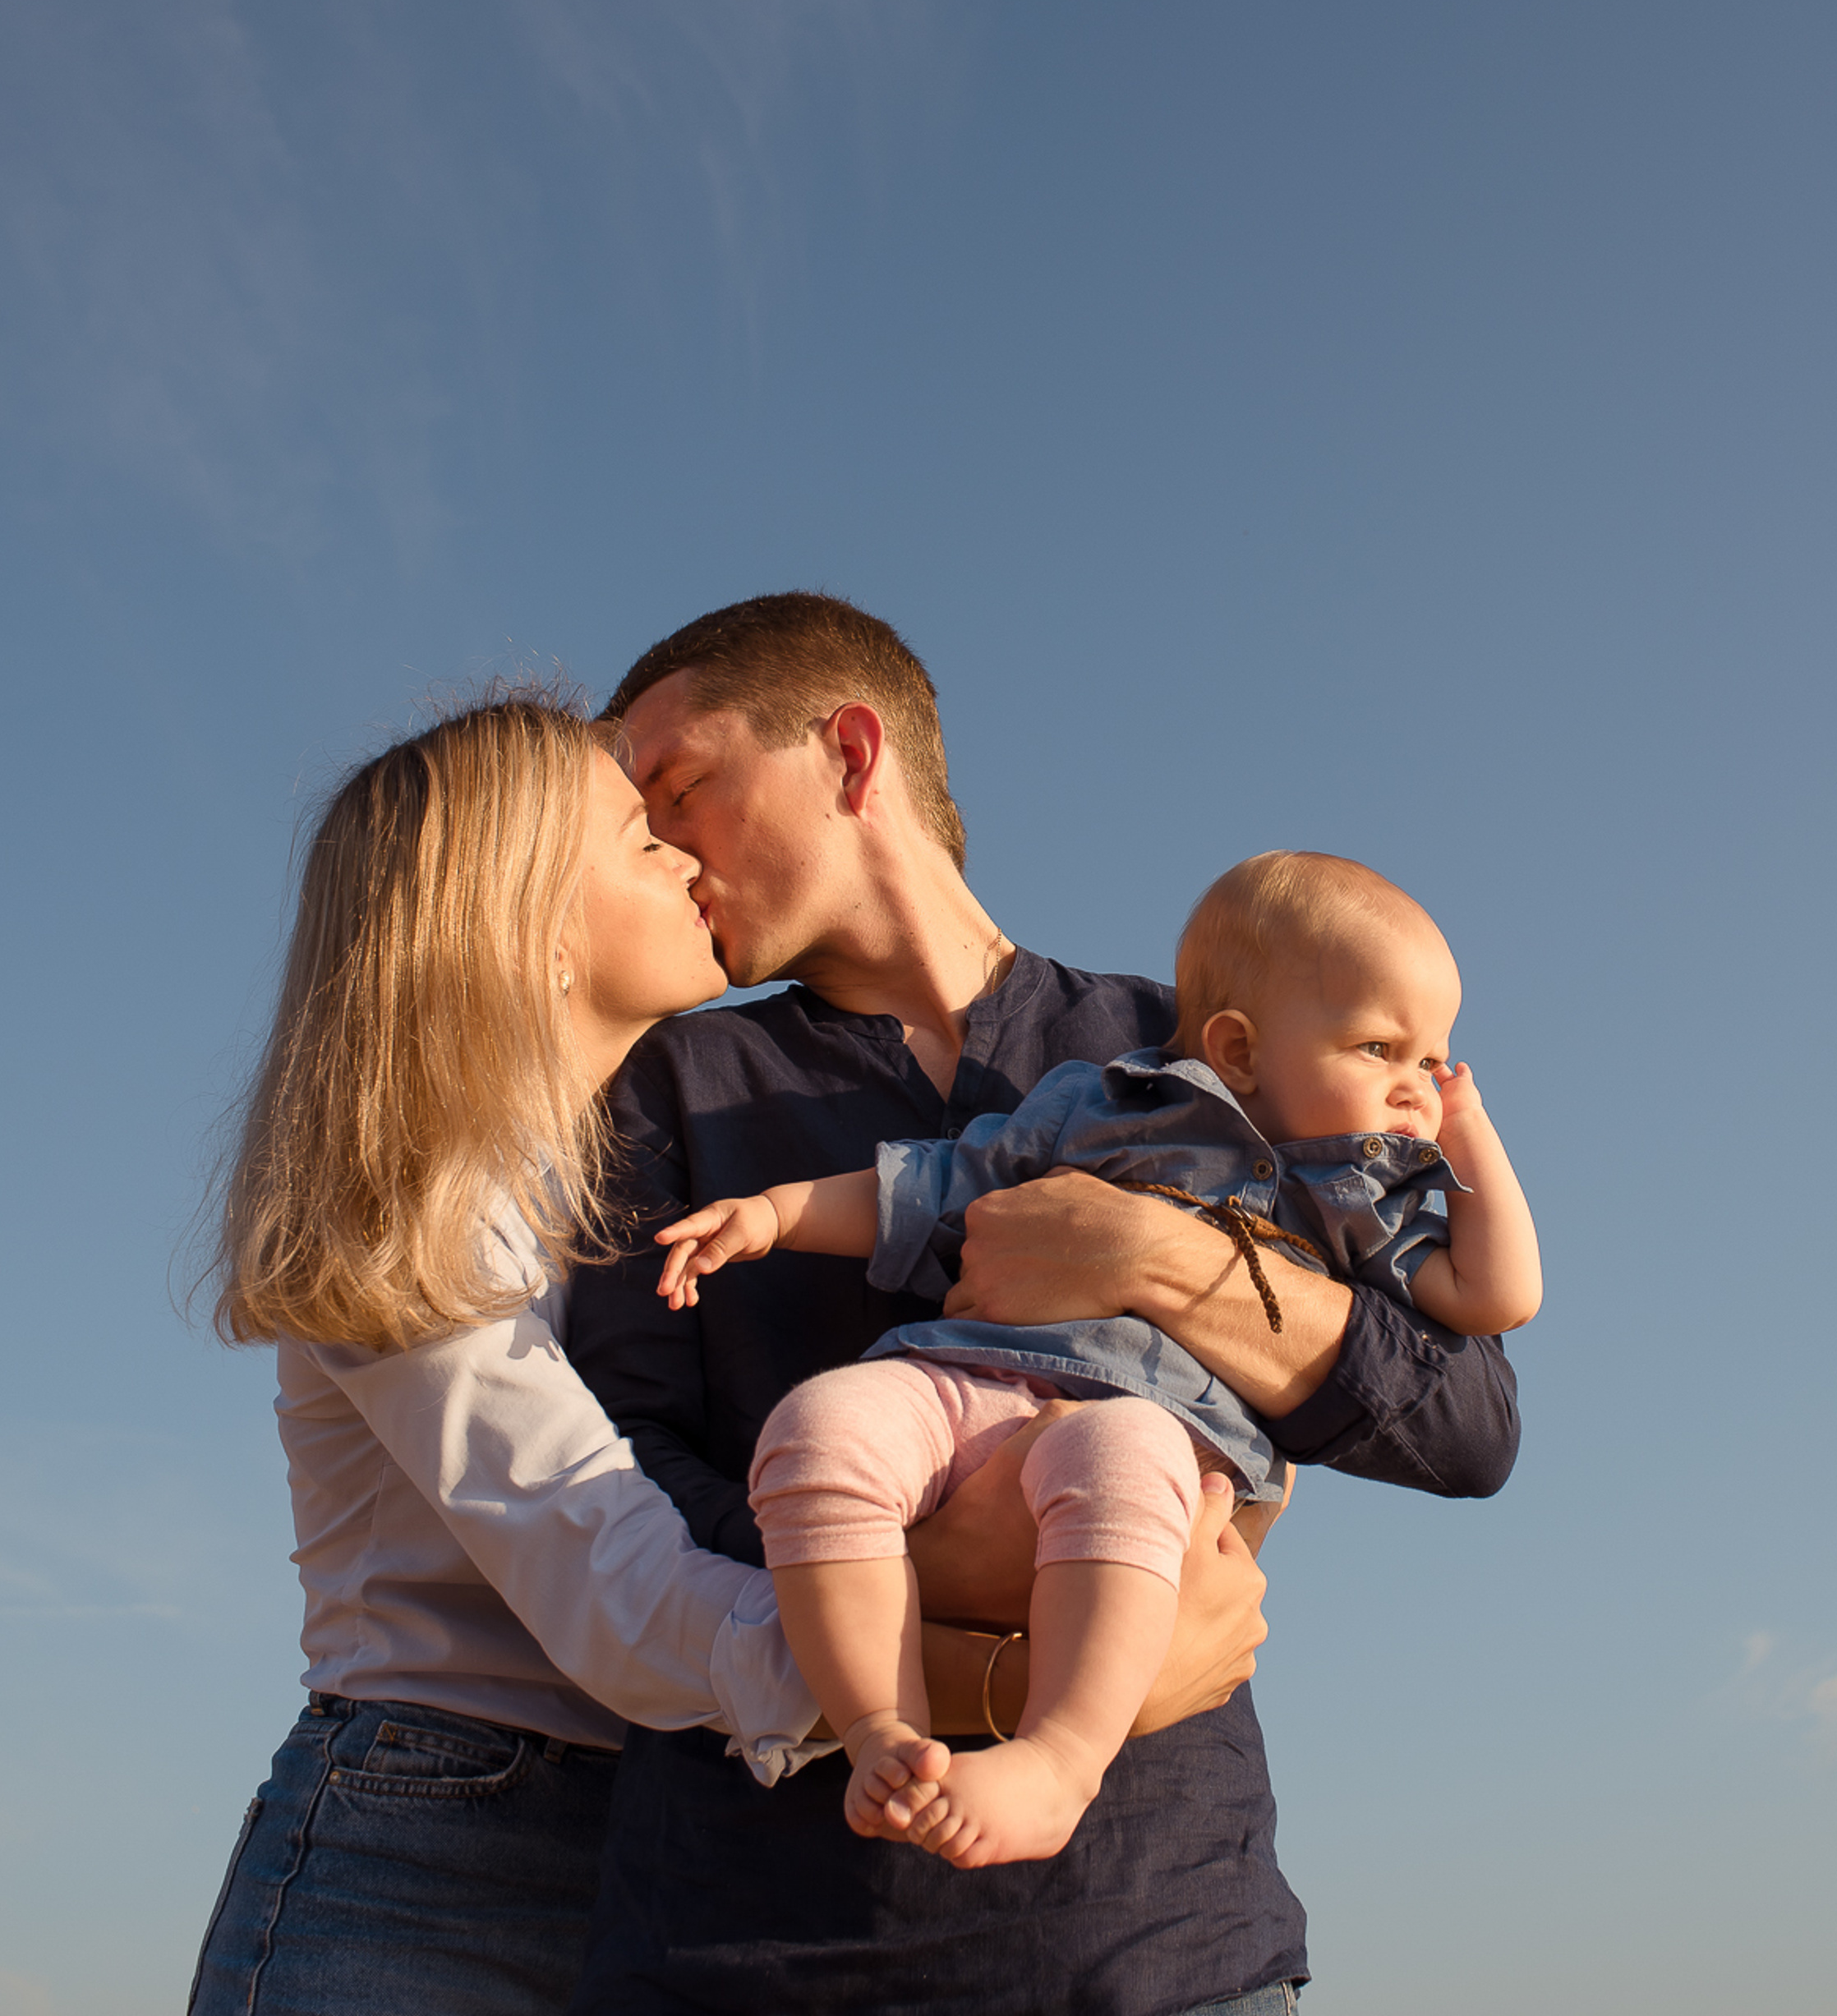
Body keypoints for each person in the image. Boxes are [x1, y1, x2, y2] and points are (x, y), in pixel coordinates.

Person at [186, 693, 1249, 2016]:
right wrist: (1033, 1682)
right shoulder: (422, 1196)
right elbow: (613, 1579)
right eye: (642, 842)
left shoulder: (635, 1159)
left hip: (665, 1832)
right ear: (527, 927)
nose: (691, 859)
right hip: (432, 1845)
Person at [563, 594, 1524, 2016]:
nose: (662, 840)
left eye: (684, 783)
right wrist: (975, 1665)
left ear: (848, 752)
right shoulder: (662, 1091)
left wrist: (1153, 1264)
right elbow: (616, 1489)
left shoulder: (1195, 1047)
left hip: (1161, 1949)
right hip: (753, 1950)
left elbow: (1470, 1422)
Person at [649, 849, 1544, 1871]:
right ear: (1238, 1048)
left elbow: (1494, 1303)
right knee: (819, 1427)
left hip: (1153, 1420)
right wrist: (772, 1215)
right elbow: (931, 1185)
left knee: (1115, 1464)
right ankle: (877, 1730)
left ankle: (1058, 1761)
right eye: (1381, 1047)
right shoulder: (1107, 1097)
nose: (1415, 1087)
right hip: (969, 1370)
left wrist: (1470, 1143)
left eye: (1432, 1059)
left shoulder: (1360, 1198)